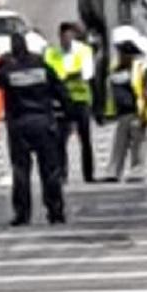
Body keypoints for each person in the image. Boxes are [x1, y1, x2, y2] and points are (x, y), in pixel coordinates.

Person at [0, 32, 69, 226]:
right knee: (50, 170)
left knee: (21, 171)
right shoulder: (42, 67)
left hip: (19, 124)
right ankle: (55, 211)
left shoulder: (8, 70)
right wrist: (66, 114)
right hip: (44, 122)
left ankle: (22, 214)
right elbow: (61, 91)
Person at [44, 22, 96, 183]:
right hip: (61, 101)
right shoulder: (51, 53)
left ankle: (88, 174)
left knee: (85, 138)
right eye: (63, 37)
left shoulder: (84, 51)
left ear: (73, 36)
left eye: (69, 37)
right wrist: (69, 75)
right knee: (60, 139)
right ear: (59, 37)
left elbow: (86, 74)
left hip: (80, 99)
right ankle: (62, 174)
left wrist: (63, 77)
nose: (66, 40)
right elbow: (48, 76)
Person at [102, 38, 147, 183]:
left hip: (137, 112)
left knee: (139, 145)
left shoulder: (141, 68)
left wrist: (145, 114)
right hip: (122, 113)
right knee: (119, 145)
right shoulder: (115, 70)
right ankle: (113, 172)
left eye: (123, 53)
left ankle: (137, 172)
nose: (120, 56)